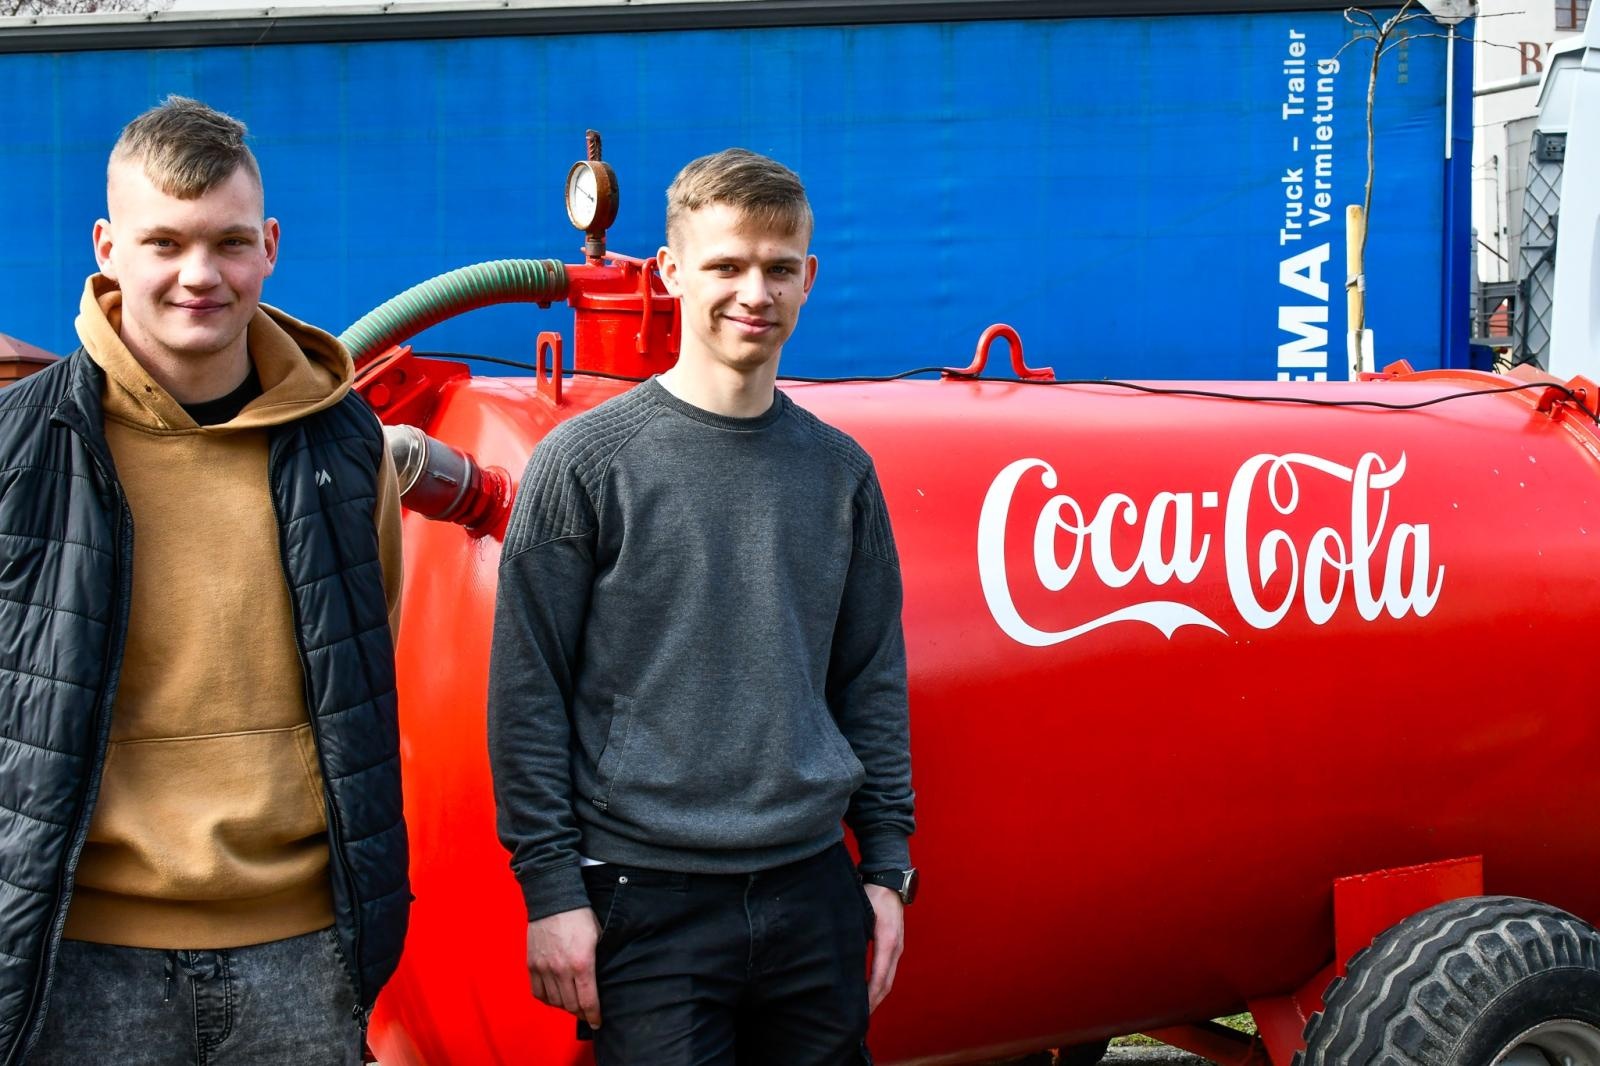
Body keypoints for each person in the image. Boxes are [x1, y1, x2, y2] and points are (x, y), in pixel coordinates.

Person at [0, 96, 409, 1065]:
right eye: (164, 243)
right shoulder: (20, 453)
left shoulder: (345, 450)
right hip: (79, 958)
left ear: (269, 245)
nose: (199, 275)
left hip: (303, 958)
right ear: (106, 247)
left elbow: (363, 664)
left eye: (229, 243)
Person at [488, 147, 917, 1065]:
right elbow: (528, 694)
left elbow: (871, 683)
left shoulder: (841, 473)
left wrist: (885, 872)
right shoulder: (584, 464)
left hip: (813, 891)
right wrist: (552, 895)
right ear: (674, 272)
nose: (752, 292)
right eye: (725, 265)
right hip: (646, 898)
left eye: (777, 267)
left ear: (810, 277)